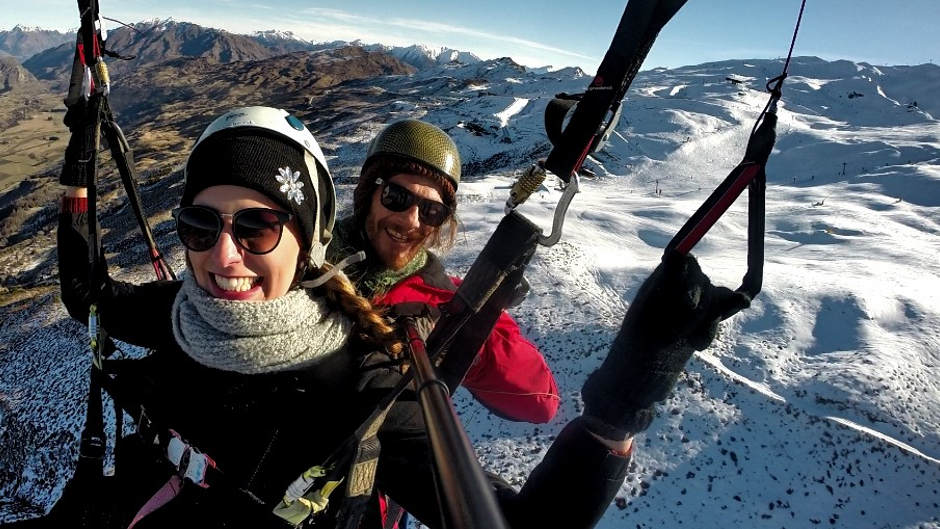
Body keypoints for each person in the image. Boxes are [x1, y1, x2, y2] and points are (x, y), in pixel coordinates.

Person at [8, 105, 749, 529]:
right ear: (361, 200)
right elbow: (91, 296)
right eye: (200, 229)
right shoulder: (186, 309)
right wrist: (82, 144)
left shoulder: (369, 380)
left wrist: (616, 414)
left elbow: (529, 494)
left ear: (301, 239)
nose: (223, 256)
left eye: (257, 229)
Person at [328, 119, 559, 424]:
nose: (411, 221)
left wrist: (459, 343)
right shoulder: (296, 258)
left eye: (431, 211)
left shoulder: (446, 301)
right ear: (369, 193)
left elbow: (541, 400)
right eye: (397, 197)